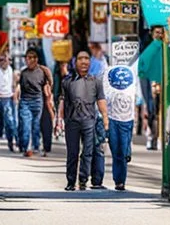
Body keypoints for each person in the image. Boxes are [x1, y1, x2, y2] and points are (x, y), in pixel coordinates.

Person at [57, 51, 108, 191]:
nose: (84, 61)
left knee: (88, 152)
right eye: (80, 59)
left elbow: (101, 100)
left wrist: (105, 119)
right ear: (75, 62)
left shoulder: (95, 81)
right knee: (72, 153)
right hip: (72, 121)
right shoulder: (67, 81)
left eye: (86, 58)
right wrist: (59, 121)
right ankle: (70, 181)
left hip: (89, 121)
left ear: (90, 62)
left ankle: (83, 179)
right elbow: (62, 100)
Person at [104, 61, 138, 191]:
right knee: (116, 151)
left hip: (127, 119)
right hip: (112, 118)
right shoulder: (108, 70)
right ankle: (118, 179)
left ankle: (120, 180)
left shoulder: (133, 71)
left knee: (122, 152)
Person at [16, 48, 54, 156]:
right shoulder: (23, 73)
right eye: (28, 58)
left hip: (38, 101)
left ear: (36, 59)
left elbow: (50, 83)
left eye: (32, 58)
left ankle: (36, 146)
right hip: (25, 102)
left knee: (36, 125)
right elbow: (20, 87)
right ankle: (26, 147)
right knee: (26, 126)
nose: (29, 60)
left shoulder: (42, 71)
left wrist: (49, 95)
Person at [0, 53, 16, 149]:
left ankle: (13, 139)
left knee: (10, 120)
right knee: (2, 117)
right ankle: (3, 133)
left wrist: (14, 94)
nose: (3, 62)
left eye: (5, 60)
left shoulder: (12, 70)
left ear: (9, 61)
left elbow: (14, 83)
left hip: (9, 97)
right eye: (1, 60)